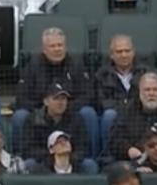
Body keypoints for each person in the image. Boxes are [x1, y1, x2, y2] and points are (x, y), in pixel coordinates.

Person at [13, 27, 96, 156]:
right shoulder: (32, 66)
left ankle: (91, 157)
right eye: (52, 46)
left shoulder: (76, 64)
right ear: (44, 49)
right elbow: (21, 97)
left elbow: (88, 94)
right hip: (40, 114)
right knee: (20, 116)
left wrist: (67, 108)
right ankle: (21, 158)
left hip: (70, 113)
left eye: (60, 45)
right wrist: (45, 110)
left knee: (88, 113)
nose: (57, 49)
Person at [107, 73, 157, 167]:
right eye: (147, 90)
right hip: (136, 162)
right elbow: (115, 141)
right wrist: (128, 150)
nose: (151, 93)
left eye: (155, 90)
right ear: (139, 92)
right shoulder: (127, 111)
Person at [95, 35, 152, 156]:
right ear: (111, 55)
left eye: (127, 51)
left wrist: (130, 109)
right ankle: (107, 156)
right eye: (119, 51)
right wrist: (126, 108)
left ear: (134, 52)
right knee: (109, 115)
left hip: (139, 116)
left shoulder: (146, 73)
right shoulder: (101, 75)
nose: (124, 55)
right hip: (114, 117)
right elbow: (102, 102)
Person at [20, 82, 94, 173]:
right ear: (46, 101)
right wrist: (54, 155)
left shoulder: (76, 118)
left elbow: (83, 147)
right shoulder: (33, 119)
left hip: (71, 162)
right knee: (29, 164)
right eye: (56, 98)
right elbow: (28, 149)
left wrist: (66, 156)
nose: (60, 103)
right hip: (43, 163)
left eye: (63, 99)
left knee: (89, 164)